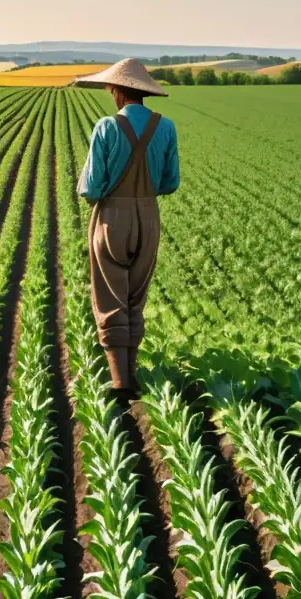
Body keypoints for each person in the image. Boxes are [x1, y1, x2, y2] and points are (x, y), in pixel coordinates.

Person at [75, 58, 180, 397]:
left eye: (110, 88)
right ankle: (131, 376)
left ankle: (119, 381)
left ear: (119, 91)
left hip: (112, 217)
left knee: (110, 298)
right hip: (148, 216)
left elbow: (90, 186)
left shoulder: (106, 127)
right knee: (135, 297)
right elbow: (170, 182)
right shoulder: (165, 127)